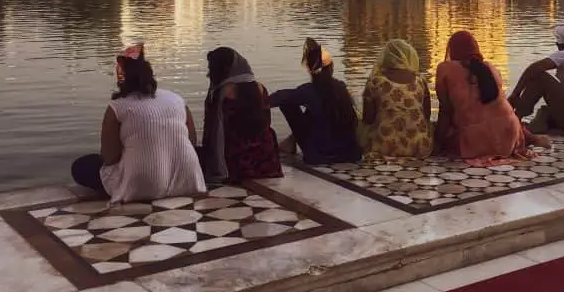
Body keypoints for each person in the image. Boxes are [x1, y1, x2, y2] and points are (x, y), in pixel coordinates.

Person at [71, 45, 205, 203]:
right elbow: (191, 142)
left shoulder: (117, 106)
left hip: (141, 186)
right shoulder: (176, 99)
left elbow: (110, 158)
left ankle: (135, 185)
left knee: (82, 166)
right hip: (188, 181)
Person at [435, 30, 548, 159]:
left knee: (447, 131)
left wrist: (437, 142)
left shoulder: (445, 69)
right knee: (499, 117)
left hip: (479, 142)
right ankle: (532, 138)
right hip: (511, 136)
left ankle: (528, 139)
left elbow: (445, 112)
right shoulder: (490, 68)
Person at [271, 39, 362, 164]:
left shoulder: (308, 90)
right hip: (350, 154)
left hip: (319, 156)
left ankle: (291, 143)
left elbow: (279, 97)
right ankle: (291, 141)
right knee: (313, 110)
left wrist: (252, 99)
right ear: (331, 68)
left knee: (288, 102)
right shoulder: (341, 87)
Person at [202, 47, 283, 182]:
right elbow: (266, 122)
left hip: (236, 165)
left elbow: (212, 132)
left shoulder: (221, 93)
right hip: (268, 162)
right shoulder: (260, 87)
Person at [360, 39, 433, 158]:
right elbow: (427, 116)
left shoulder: (375, 82)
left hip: (384, 147)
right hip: (419, 147)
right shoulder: (420, 81)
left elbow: (368, 119)